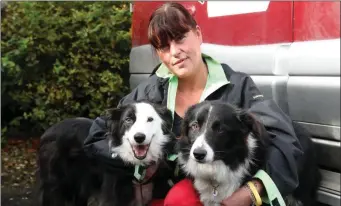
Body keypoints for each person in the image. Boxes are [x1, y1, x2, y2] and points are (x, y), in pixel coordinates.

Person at [84, 2, 303, 206]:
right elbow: (97, 137)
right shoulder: (149, 92)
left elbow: (283, 140)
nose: (174, 52)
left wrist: (251, 192)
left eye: (180, 39)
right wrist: (137, 162)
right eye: (164, 47)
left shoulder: (237, 87)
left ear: (198, 34)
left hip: (224, 190)